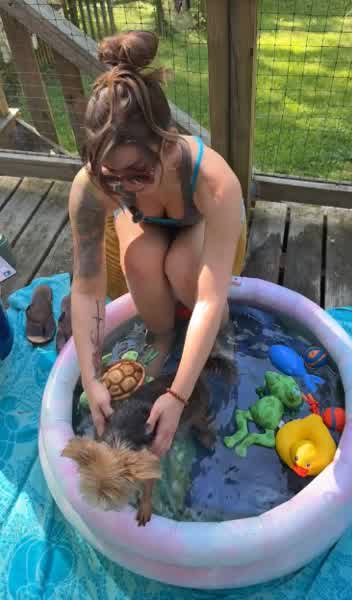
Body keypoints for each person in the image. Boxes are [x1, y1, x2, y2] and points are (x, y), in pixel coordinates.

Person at [69, 30, 245, 457]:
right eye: (111, 176)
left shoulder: (213, 181)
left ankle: (219, 343)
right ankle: (162, 337)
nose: (124, 186)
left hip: (200, 226)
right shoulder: (92, 188)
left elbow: (210, 295)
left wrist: (179, 395)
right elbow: (87, 289)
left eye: (138, 174)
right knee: (140, 262)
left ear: (166, 144)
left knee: (184, 269)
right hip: (145, 225)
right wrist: (91, 379)